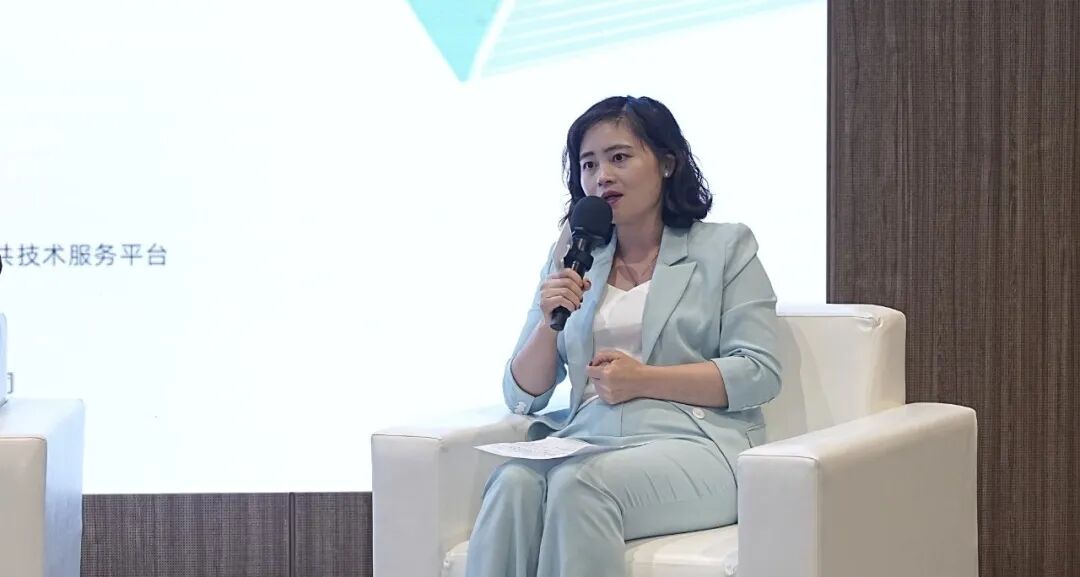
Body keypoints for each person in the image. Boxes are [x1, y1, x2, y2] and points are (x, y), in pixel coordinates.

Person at [465, 96, 782, 577]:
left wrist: (643, 380)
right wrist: (551, 322)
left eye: (619, 157)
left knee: (579, 484)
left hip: (696, 444)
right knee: (512, 483)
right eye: (588, 164)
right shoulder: (573, 257)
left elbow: (758, 372)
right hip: (587, 440)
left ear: (667, 163)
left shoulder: (725, 247)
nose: (602, 177)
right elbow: (522, 395)